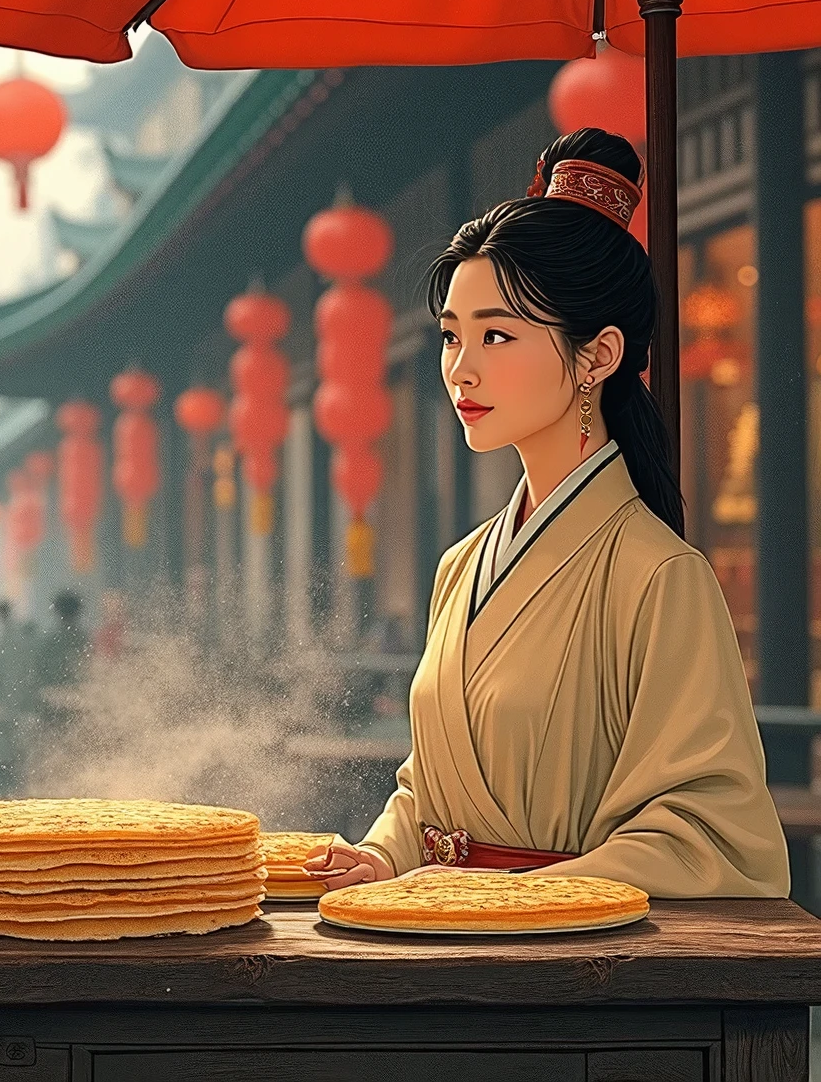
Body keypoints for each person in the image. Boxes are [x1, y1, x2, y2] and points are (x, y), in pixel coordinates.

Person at [309, 129, 787, 900]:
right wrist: (386, 855)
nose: (462, 369)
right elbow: (430, 790)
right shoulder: (461, 566)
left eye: (497, 334)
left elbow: (707, 834)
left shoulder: (661, 576)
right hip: (441, 930)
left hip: (566, 967)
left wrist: (518, 895)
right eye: (451, 337)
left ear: (598, 356)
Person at [0, 599, 37, 796]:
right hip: (13, 701)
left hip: (5, 703)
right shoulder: (17, 638)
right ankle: (11, 783)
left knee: (5, 747)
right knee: (12, 746)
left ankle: (5, 785)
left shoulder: (4, 640)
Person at [32, 590, 91, 729]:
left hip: (52, 699)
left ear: (57, 612)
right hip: (80, 699)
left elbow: (38, 670)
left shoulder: (48, 640)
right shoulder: (85, 639)